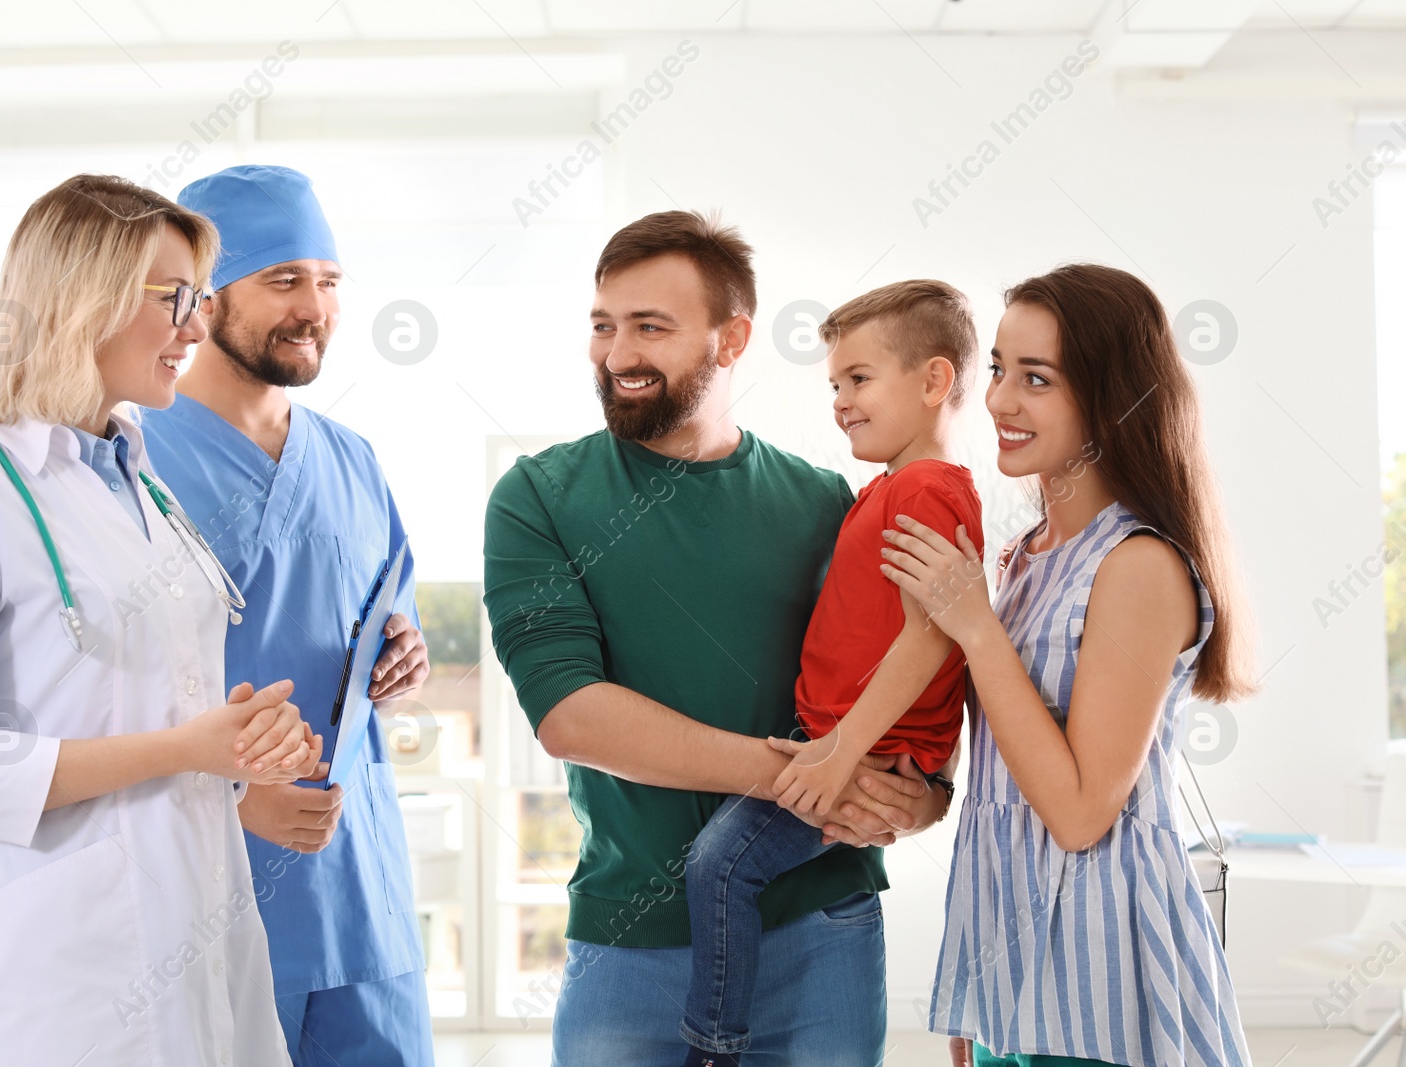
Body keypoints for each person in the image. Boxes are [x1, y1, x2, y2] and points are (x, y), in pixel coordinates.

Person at [483, 210, 954, 1066]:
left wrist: (925, 797)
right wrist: (809, 775)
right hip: (632, 940)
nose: (618, 352)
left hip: (822, 935)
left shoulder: (824, 504)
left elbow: (920, 663)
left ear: (731, 338)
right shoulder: (539, 497)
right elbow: (571, 717)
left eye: (650, 327)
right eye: (603, 325)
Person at [0, 174, 317, 1065]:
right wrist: (189, 748)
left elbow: (143, 703)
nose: (196, 328)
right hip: (63, 970)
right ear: (88, 297)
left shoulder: (139, 481)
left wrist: (244, 757)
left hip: (203, 927)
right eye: (177, 299)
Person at [882, 263, 1256, 1067]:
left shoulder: (1137, 567)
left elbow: (1083, 811)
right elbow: (1004, 781)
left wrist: (975, 628)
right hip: (1010, 992)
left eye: (1037, 378)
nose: (1000, 401)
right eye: (998, 369)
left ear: (1110, 400)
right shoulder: (1019, 560)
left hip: (1109, 992)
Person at [142, 164, 433, 1067]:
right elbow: (96, 687)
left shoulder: (352, 461)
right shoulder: (132, 459)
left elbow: (383, 616)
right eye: (283, 281)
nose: (314, 306)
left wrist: (405, 656)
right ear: (207, 301)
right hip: (209, 877)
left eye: (329, 281)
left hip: (358, 884)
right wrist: (229, 799)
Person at [679, 280, 983, 1066]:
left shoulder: (927, 487)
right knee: (725, 865)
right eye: (835, 385)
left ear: (934, 380)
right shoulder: (887, 487)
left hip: (862, 752)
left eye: (859, 379)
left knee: (719, 865)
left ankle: (713, 1048)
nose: (841, 400)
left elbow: (932, 635)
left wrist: (844, 750)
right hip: (848, 743)